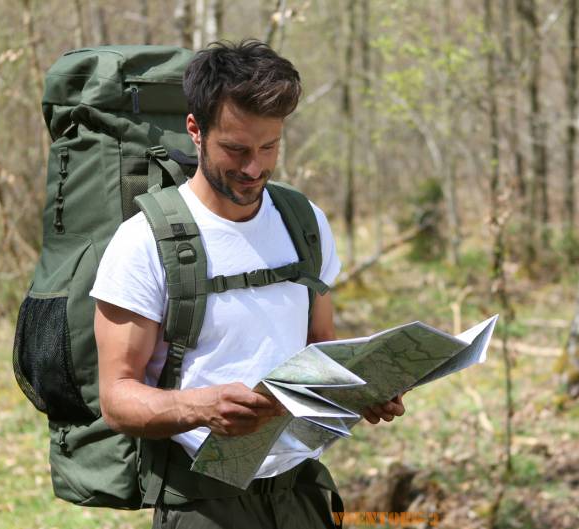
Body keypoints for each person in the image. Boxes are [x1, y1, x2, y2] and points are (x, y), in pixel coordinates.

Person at [91, 39, 405, 529]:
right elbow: (116, 399)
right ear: (195, 130)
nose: (254, 167)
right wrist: (200, 407)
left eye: (269, 147)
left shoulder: (304, 222)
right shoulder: (143, 242)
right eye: (235, 149)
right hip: (202, 501)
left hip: (301, 488)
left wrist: (363, 387)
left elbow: (320, 344)